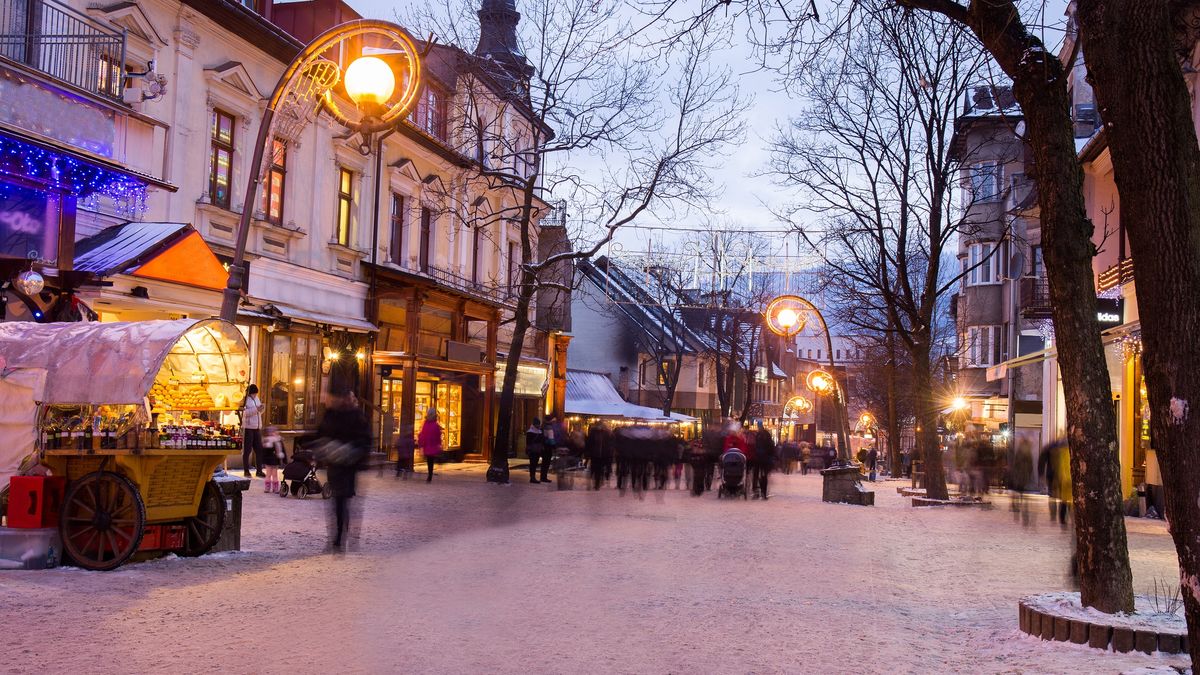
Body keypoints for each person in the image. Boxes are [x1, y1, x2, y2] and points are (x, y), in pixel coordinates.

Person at [318, 385, 369, 551]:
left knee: (342, 501)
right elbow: (322, 434)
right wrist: (325, 449)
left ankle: (340, 537)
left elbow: (365, 441)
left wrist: (353, 452)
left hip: (349, 465)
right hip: (335, 464)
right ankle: (338, 537)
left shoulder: (356, 416)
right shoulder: (332, 414)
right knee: (337, 502)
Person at [241, 384, 265, 478]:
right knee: (247, 450)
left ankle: (259, 470)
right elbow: (244, 413)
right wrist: (256, 409)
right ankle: (246, 471)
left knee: (259, 450)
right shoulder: (245, 400)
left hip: (257, 428)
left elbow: (258, 412)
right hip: (248, 428)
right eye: (254, 394)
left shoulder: (257, 398)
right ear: (250, 393)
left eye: (256, 394)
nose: (255, 395)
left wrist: (261, 409)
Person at [752, 422, 777, 499]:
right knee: (764, 475)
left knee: (755, 475)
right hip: (766, 459)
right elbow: (772, 449)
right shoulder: (767, 436)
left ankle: (755, 490)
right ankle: (764, 492)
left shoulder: (757, 436)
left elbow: (754, 447)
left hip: (757, 459)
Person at [418, 410, 443, 483]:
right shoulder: (435, 425)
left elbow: (423, 435)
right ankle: (430, 475)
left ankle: (429, 476)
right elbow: (438, 435)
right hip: (433, 446)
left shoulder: (425, 424)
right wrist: (439, 444)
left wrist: (421, 444)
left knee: (429, 461)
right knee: (431, 461)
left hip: (427, 446)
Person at [585, 420, 612, 490]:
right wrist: (588, 453)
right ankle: (595, 482)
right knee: (594, 469)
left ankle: (597, 483)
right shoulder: (593, 432)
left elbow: (609, 444)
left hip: (602, 455)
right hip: (595, 454)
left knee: (599, 470)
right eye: (599, 425)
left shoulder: (606, 433)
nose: (600, 426)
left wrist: (608, 453)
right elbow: (589, 443)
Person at [261, 425, 286, 493]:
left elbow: (263, 452)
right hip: (275, 460)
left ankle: (267, 488)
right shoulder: (278, 440)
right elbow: (282, 451)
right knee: (274, 475)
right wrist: (284, 460)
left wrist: (263, 460)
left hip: (269, 460)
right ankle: (275, 488)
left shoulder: (266, 441)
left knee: (269, 474)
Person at [526, 418, 545, 483]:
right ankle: (532, 477)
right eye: (537, 424)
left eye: (539, 424)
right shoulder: (530, 432)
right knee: (532, 464)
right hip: (533, 450)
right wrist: (528, 449)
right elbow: (528, 442)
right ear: (534, 424)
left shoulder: (539, 431)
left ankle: (533, 477)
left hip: (537, 449)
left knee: (535, 463)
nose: (538, 425)